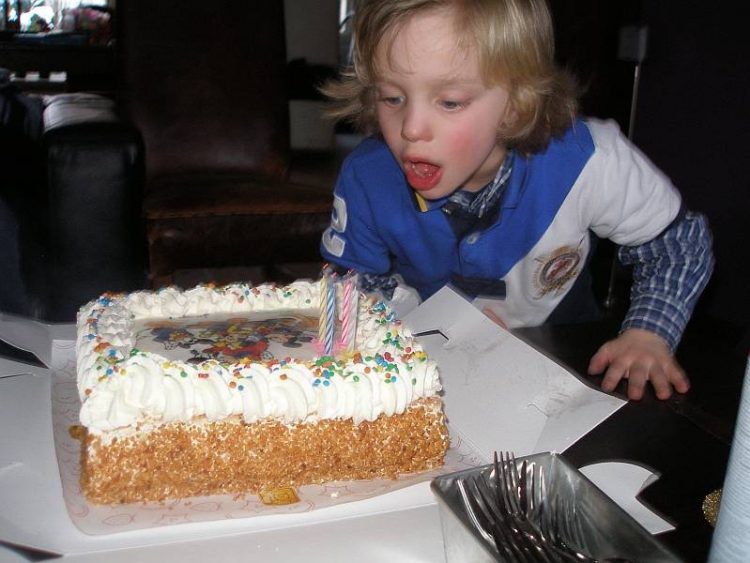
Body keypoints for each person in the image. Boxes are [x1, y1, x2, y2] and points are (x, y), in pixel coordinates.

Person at [319, 0, 714, 400]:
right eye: (392, 98)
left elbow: (678, 245)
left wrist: (648, 332)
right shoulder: (367, 177)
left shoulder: (588, 160)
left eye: (451, 101)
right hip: (433, 372)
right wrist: (421, 329)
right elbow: (350, 289)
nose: (411, 128)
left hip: (569, 364)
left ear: (515, 104)